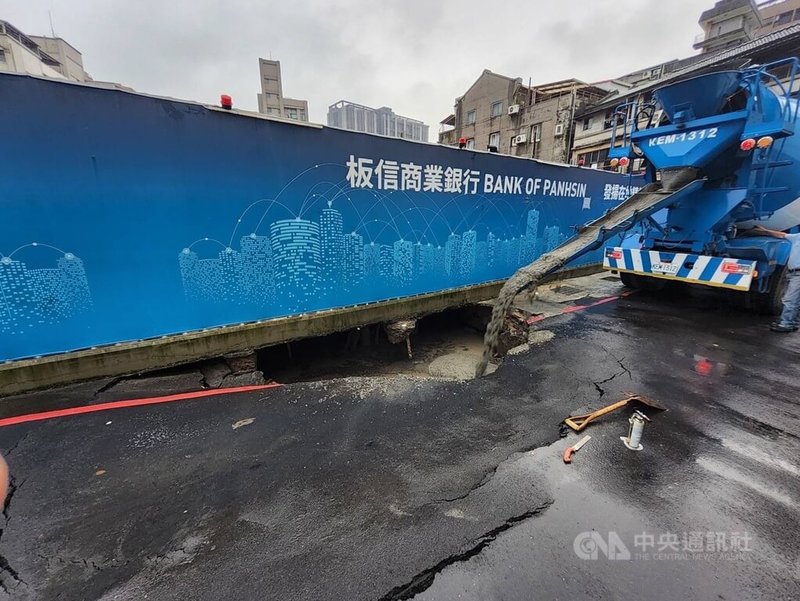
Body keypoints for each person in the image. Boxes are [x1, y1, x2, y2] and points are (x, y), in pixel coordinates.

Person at [753, 224, 800, 332]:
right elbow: (782, 235)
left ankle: (785, 324)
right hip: (792, 272)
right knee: (795, 300)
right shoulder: (797, 236)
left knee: (790, 299)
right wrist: (765, 230)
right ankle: (793, 323)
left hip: (798, 274)